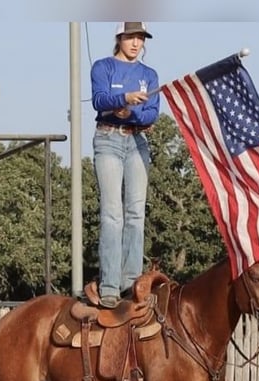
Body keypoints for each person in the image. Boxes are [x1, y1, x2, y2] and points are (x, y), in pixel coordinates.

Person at [90, 21, 160, 309]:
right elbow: (99, 100)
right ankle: (109, 285)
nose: (135, 43)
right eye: (131, 37)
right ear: (119, 38)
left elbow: (151, 114)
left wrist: (126, 111)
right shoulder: (103, 67)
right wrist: (124, 99)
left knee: (135, 214)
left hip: (137, 144)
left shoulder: (149, 74)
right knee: (112, 214)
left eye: (140, 38)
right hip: (108, 139)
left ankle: (131, 282)